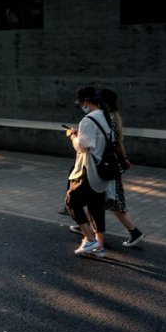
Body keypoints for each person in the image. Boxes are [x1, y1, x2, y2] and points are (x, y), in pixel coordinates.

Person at [64, 87, 113, 257]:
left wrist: (72, 136)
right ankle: (99, 247)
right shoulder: (108, 117)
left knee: (71, 201)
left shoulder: (88, 120)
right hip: (103, 171)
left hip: (88, 170)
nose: (81, 106)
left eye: (80, 103)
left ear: (86, 101)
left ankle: (90, 239)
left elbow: (82, 145)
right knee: (96, 208)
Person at [99, 89, 145, 247]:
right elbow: (119, 142)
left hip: (107, 166)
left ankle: (134, 231)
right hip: (112, 164)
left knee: (114, 200)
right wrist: (124, 159)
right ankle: (85, 223)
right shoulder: (114, 118)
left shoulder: (105, 118)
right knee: (100, 197)